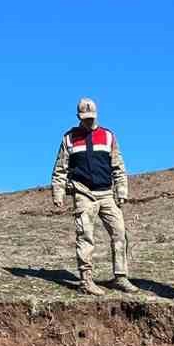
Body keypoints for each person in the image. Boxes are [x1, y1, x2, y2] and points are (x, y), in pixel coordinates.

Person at [50, 98, 140, 296]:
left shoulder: (108, 136)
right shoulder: (69, 138)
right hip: (83, 193)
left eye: (91, 118)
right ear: (78, 117)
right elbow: (60, 168)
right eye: (85, 118)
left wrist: (122, 192)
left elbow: (118, 166)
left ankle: (121, 276)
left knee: (120, 232)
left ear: (96, 115)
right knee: (85, 235)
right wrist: (58, 192)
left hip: (107, 193)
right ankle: (86, 280)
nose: (89, 121)